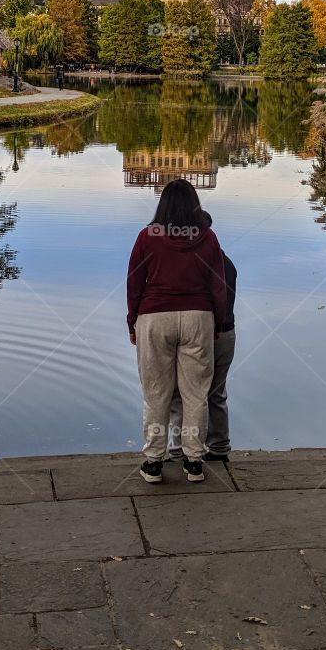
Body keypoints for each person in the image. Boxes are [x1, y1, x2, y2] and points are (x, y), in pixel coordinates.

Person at [126, 179, 227, 485]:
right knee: (195, 393)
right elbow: (218, 286)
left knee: (156, 392)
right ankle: (194, 461)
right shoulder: (207, 238)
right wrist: (218, 324)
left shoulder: (148, 236)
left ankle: (154, 461)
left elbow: (134, 282)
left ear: (163, 205)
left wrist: (133, 322)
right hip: (198, 317)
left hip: (155, 316)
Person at [167, 210, 237, 463]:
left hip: (207, 333)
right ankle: (219, 448)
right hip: (225, 333)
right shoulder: (225, 262)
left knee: (179, 392)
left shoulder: (197, 265)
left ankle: (177, 450)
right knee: (215, 392)